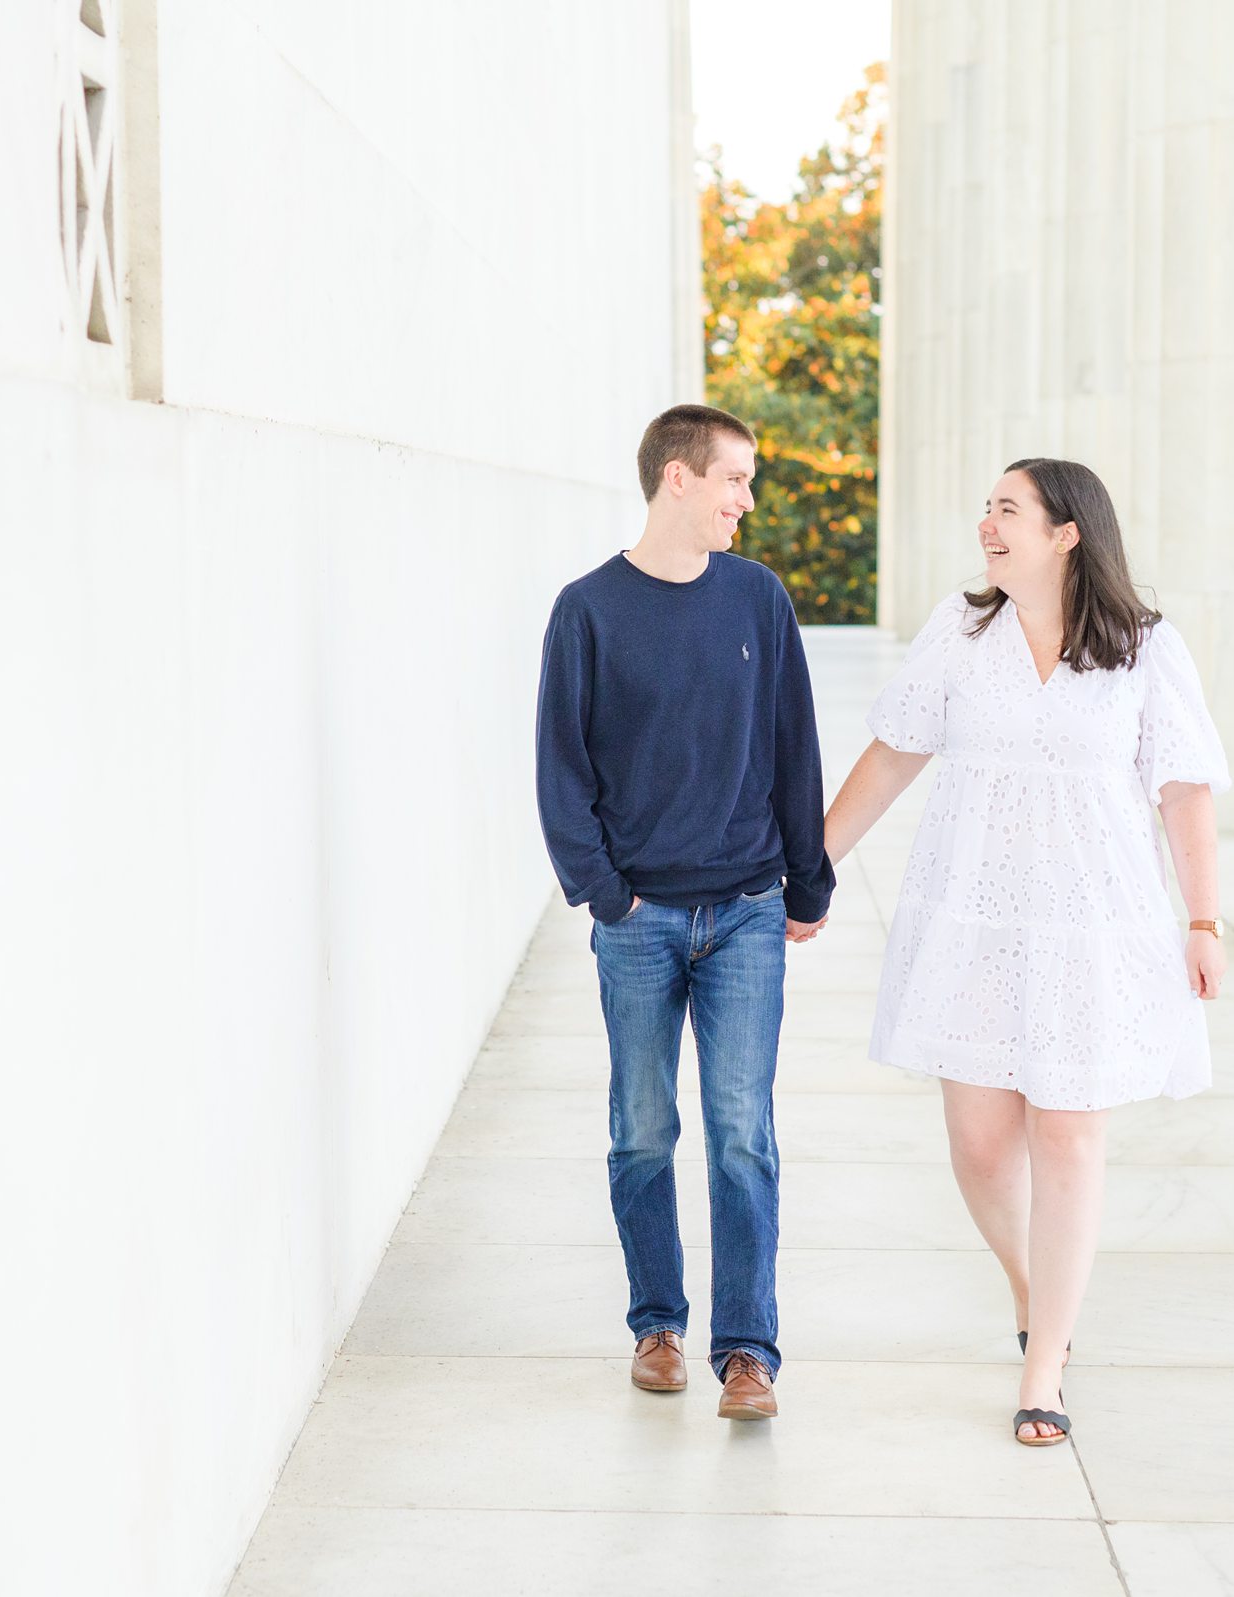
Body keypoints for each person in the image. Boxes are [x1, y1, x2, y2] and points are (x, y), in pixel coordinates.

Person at [823, 458, 1229, 1447]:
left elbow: (1185, 789)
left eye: (1007, 510)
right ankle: (1026, 1277)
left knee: (1068, 1137)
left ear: (1066, 532)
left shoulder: (1142, 647)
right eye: (987, 510)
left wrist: (1204, 920)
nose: (986, 526)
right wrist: (812, 864)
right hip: (975, 919)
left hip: (1094, 927)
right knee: (979, 1144)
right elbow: (895, 752)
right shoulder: (961, 634)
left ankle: (1045, 1361)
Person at [534, 403, 834, 1421]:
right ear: (677, 478)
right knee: (641, 1129)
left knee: (742, 1131)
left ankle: (747, 1350)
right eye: (735, 479)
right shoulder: (587, 610)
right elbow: (560, 770)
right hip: (639, 920)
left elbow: (794, 741)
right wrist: (605, 894)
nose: (746, 500)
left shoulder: (757, 600)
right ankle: (655, 1323)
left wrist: (808, 877)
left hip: (748, 909)